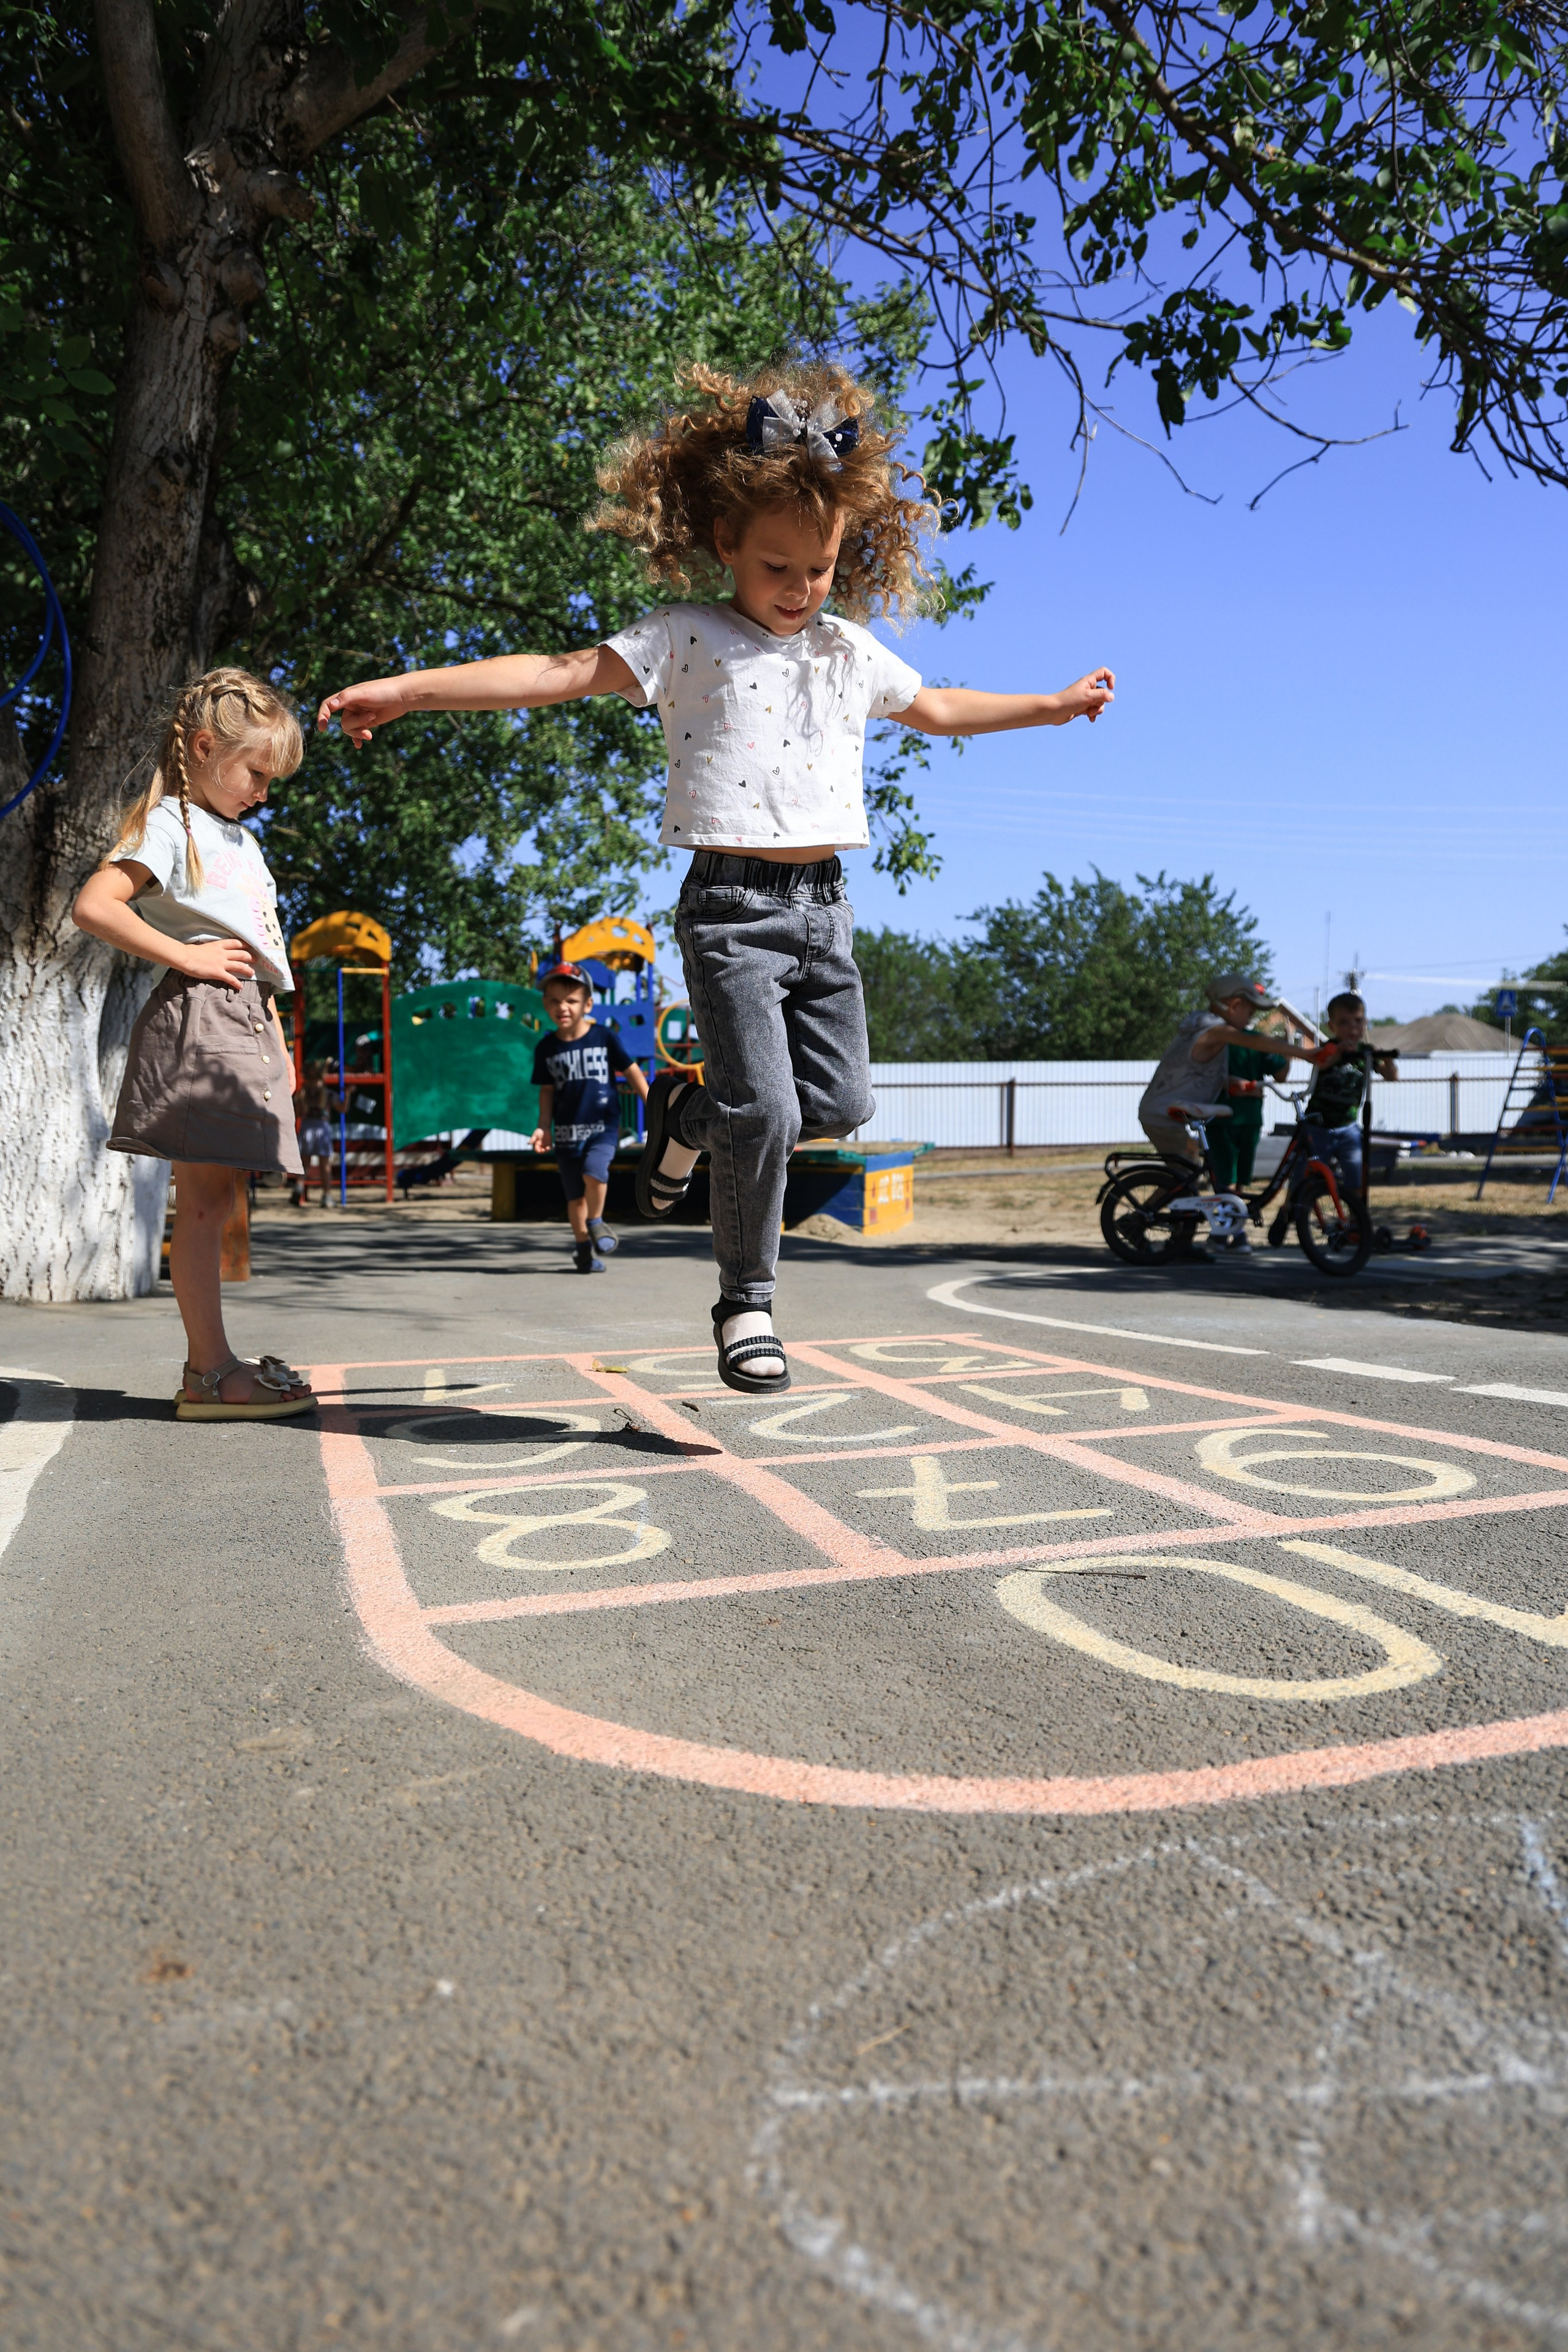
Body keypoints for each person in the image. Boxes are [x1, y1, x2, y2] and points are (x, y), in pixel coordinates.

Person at [316, 360, 1114, 1392]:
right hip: (731, 911)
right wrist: (409, 691)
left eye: (820, 567)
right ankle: (747, 1303)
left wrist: (1050, 707)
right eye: (777, 565)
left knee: (843, 1103)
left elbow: (940, 708)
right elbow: (553, 676)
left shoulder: (848, 651)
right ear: (726, 541)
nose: (799, 587)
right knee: (769, 1113)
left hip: (824, 912)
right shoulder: (684, 638)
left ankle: (689, 1121)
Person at [72, 668, 315, 1420]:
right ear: (204, 747)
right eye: (256, 774)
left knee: (221, 1198)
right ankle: (209, 1372)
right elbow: (95, 905)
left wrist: (278, 1040)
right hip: (204, 1016)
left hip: (245, 1018)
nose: (264, 793)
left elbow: (258, 951)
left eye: (271, 781)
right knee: (207, 1201)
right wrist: (187, 956)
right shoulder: (170, 824)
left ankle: (214, 1367)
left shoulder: (237, 836)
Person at [527, 962, 650, 1271]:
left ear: (588, 1004)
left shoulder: (603, 1037)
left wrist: (653, 1104)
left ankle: (596, 1221)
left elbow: (631, 1071)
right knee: (575, 1198)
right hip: (566, 1134)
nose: (563, 1007)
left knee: (595, 1172)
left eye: (571, 1000)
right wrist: (543, 1127)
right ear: (545, 1005)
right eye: (554, 1001)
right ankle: (583, 1249)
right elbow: (546, 1091)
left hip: (602, 1128)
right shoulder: (546, 1048)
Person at [1139, 976, 1321, 1178]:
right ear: (1234, 1006)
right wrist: (1306, 1053)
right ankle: (1157, 1202)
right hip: (1162, 1117)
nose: (1249, 1021)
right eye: (1250, 1014)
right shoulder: (1213, 1030)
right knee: (1185, 1175)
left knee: (1185, 1174)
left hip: (1161, 1112)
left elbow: (1195, 1071)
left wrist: (1228, 1082)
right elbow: (1254, 1041)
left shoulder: (1203, 1028)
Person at [1302, 990, 1398, 1197]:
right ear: (1332, 1027)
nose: (1353, 1028)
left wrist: (1387, 1060)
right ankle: (1290, 1211)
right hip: (1318, 1126)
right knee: (1305, 1179)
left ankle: (1357, 1215)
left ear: (1366, 1023)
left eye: (1358, 1021)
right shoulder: (1329, 1048)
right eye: (1344, 1023)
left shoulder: (1366, 1052)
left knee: (1357, 1178)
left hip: (1347, 1126)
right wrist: (1339, 1053)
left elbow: (1391, 1076)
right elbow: (1322, 1062)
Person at [292, 1066, 338, 1208]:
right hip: (322, 1128)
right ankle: (327, 1195)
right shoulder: (328, 1094)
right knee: (325, 1165)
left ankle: (299, 1186)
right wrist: (347, 1095)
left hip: (307, 1128)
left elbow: (297, 1113)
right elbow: (342, 1108)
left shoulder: (303, 1094)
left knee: (305, 1164)